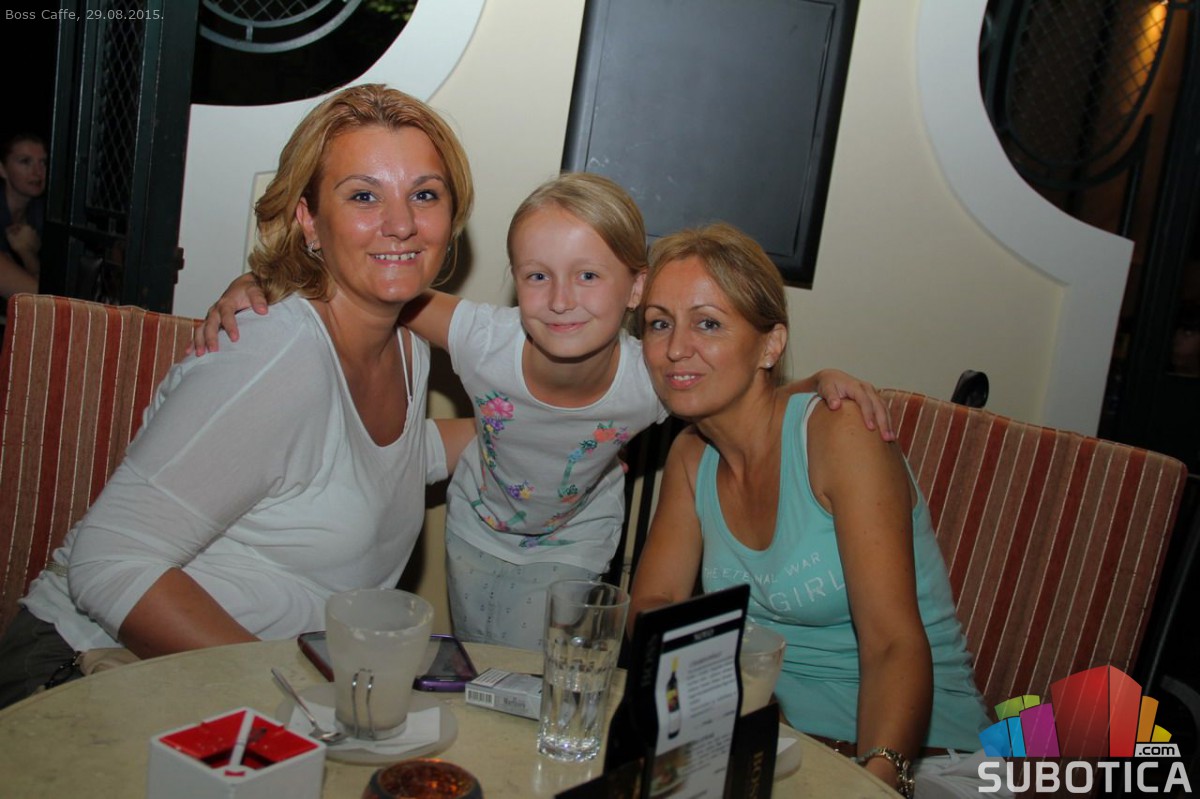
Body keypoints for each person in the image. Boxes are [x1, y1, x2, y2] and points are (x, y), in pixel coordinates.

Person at [191, 173, 895, 651]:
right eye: (537, 276)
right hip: (477, 522)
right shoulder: (481, 339)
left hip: (577, 539)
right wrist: (264, 282)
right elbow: (371, 284)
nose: (561, 299)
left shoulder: (651, 375)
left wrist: (815, 382)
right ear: (515, 281)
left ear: (635, 288)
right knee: (480, 664)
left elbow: (735, 390)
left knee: (536, 678)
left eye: (588, 275)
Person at [0, 84, 477, 709]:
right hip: (83, 671)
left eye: (425, 194)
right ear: (309, 220)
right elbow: (111, 562)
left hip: (236, 684)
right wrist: (293, 701)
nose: (402, 223)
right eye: (364, 195)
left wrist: (551, 434)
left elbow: (379, 458)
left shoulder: (408, 346)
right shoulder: (278, 354)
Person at [628, 223, 998, 799]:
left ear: (770, 345)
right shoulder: (690, 457)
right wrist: (723, 696)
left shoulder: (839, 434)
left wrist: (875, 783)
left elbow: (893, 643)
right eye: (659, 323)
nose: (676, 348)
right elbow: (652, 605)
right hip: (780, 747)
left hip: (921, 757)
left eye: (708, 323)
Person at [0, 132, 47, 298]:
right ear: (2, 169)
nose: (38, 172)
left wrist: (28, 253)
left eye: (43, 162)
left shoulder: (43, 213)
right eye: (25, 161)